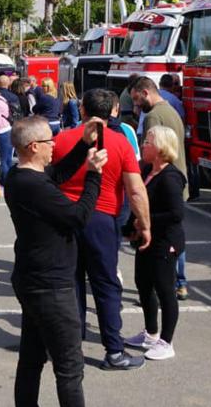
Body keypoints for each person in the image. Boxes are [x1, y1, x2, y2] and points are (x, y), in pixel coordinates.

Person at [3, 116, 130, 407]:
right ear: (33, 147)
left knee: (31, 358)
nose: (54, 145)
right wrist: (94, 175)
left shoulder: (23, 177)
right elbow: (77, 217)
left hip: (35, 279)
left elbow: (56, 175)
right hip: (50, 285)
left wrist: (84, 145)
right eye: (49, 141)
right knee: (69, 368)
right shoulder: (30, 185)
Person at [58, 89, 151, 371]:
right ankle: (114, 351)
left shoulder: (62, 139)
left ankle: (70, 345)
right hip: (101, 218)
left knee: (70, 282)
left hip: (68, 216)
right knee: (106, 284)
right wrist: (144, 224)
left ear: (82, 110)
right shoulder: (120, 142)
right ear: (113, 111)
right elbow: (136, 190)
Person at [124, 125, 186, 362]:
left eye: (148, 142)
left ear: (160, 148)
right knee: (143, 284)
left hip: (165, 241)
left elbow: (176, 214)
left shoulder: (170, 178)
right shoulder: (147, 170)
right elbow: (138, 202)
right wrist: (131, 226)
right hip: (146, 240)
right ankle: (150, 333)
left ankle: (166, 342)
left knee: (165, 289)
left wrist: (145, 221)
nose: (143, 145)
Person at [132, 76, 191, 302]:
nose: (137, 106)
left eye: (137, 100)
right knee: (175, 232)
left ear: (145, 92)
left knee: (160, 237)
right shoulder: (172, 108)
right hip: (178, 177)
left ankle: (162, 286)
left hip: (162, 181)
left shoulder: (154, 116)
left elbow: (149, 153)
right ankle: (180, 283)